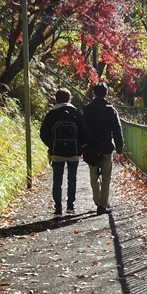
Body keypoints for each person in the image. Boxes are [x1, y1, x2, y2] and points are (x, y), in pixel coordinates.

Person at [40, 88, 88, 218]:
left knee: (57, 180)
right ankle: (70, 207)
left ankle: (58, 209)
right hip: (73, 152)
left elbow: (43, 133)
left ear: (56, 99)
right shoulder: (76, 113)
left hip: (56, 152)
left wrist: (52, 145)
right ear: (69, 98)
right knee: (72, 179)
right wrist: (79, 146)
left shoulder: (52, 114)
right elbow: (84, 133)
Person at [82, 82, 123, 215]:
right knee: (106, 177)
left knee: (93, 175)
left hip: (91, 147)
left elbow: (82, 129)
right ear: (106, 94)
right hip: (106, 147)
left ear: (93, 93)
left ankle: (97, 199)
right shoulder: (111, 110)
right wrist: (119, 149)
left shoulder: (86, 109)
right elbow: (117, 130)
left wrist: (82, 146)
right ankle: (102, 205)